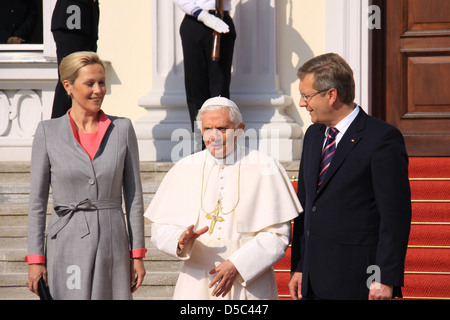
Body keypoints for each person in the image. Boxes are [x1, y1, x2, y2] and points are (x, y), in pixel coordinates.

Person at [145, 96, 301, 299]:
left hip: (249, 281)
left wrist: (237, 264)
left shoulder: (265, 167)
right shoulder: (183, 168)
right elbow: (159, 229)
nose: (214, 137)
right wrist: (179, 239)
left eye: (222, 129)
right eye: (207, 129)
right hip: (197, 282)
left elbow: (278, 236)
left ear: (240, 128)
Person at [288, 53, 412, 300]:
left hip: (359, 281)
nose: (302, 104)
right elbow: (306, 208)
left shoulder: (381, 138)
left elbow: (394, 215)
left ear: (331, 95)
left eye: (307, 96)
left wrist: (384, 277)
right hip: (313, 281)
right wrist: (300, 266)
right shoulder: (313, 135)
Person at [25, 51, 146, 300]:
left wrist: (137, 254)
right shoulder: (47, 132)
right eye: (90, 84)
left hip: (112, 241)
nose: (98, 90)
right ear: (68, 86)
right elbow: (37, 202)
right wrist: (35, 259)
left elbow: (134, 198)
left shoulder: (122, 129)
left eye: (102, 82)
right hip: (66, 240)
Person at [173, 0, 236, 133]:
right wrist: (203, 16)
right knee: (196, 91)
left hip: (222, 20)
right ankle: (199, 146)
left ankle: (219, 146)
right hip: (196, 21)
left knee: (219, 92)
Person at [51, 0, 100, 119]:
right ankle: (58, 129)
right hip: (73, 13)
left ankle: (79, 124)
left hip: (87, 14)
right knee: (71, 76)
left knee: (84, 76)